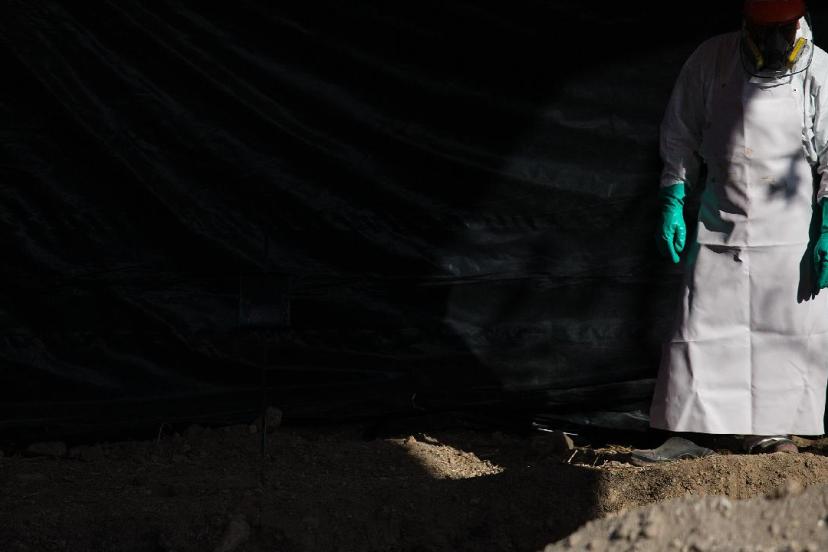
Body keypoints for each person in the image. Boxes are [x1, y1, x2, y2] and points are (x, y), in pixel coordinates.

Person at [637, 0, 828, 463]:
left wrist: (827, 224)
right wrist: (673, 196)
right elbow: (680, 131)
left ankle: (770, 431)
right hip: (719, 221)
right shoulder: (713, 59)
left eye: (783, 30)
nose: (774, 41)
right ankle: (691, 429)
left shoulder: (821, 70)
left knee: (781, 331)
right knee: (701, 326)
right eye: (763, 30)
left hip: (789, 233)